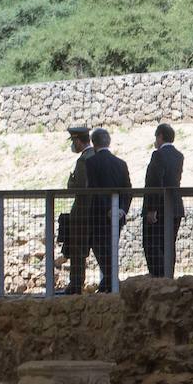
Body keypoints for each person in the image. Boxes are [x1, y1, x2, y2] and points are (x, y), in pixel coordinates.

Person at [84, 127, 131, 293]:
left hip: (99, 215)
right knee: (111, 247)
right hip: (118, 215)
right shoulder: (121, 163)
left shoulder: (90, 162)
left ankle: (111, 281)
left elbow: (95, 189)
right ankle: (109, 283)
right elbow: (128, 190)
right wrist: (122, 209)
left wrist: (107, 209)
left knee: (98, 246)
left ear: (93, 143)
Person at [142, 123, 184, 279]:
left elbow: (154, 181)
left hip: (159, 208)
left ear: (160, 136)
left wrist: (152, 209)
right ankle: (168, 277)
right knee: (169, 245)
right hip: (175, 207)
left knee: (152, 244)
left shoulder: (158, 155)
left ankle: (159, 278)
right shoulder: (179, 155)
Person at [61, 126, 99, 295]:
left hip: (83, 212)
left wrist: (71, 184)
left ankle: (75, 285)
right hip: (97, 211)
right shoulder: (96, 155)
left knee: (78, 250)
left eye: (74, 142)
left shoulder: (83, 160)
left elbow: (82, 187)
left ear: (77, 141)